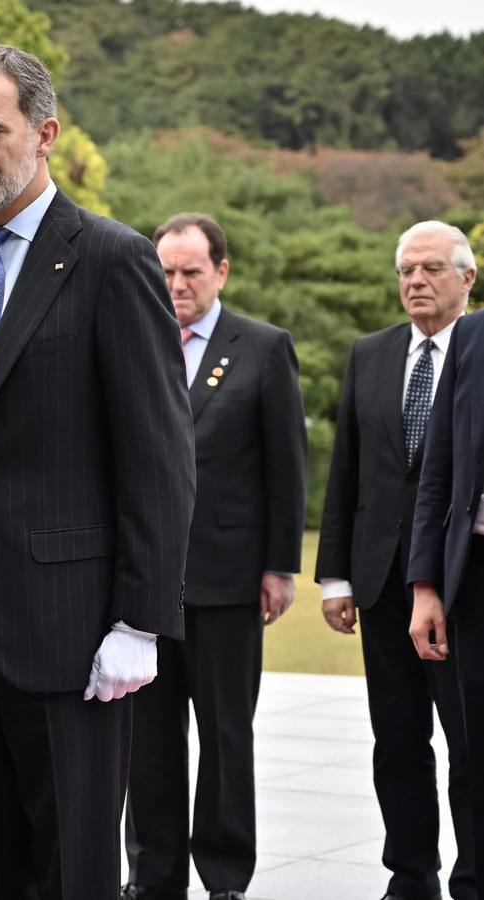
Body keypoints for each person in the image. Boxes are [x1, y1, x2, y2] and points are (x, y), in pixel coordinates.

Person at [0, 44, 195, 898]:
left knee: (72, 873)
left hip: (72, 638)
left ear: (44, 132)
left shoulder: (111, 259)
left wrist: (139, 620)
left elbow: (157, 456)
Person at [123, 213, 308, 900]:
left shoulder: (260, 348)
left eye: (190, 271)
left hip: (228, 578)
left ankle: (225, 875)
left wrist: (278, 565)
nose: (176, 284)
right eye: (165, 271)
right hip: (142, 582)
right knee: (147, 743)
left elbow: (285, 467)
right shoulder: (132, 340)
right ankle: (152, 874)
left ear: (220, 272)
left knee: (226, 737)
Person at [317, 220, 476, 900]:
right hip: (381, 583)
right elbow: (344, 473)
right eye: (405, 270)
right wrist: (334, 575)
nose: (414, 280)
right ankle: (410, 875)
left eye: (430, 268)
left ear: (465, 277)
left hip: (463, 583)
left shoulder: (474, 354)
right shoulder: (370, 353)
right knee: (397, 742)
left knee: (469, 745)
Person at [401, 223, 483, 897]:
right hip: (472, 581)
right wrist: (425, 586)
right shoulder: (471, 342)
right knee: (472, 753)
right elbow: (437, 472)